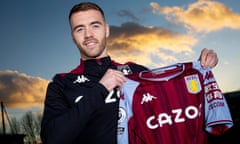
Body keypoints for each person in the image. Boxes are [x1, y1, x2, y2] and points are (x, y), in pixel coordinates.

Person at [40, 2, 219, 144]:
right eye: (80, 29)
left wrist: (198, 71)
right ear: (73, 37)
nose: (88, 34)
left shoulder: (136, 72)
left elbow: (173, 107)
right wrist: (101, 89)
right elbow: (52, 138)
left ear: (107, 29)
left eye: (95, 26)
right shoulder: (62, 84)